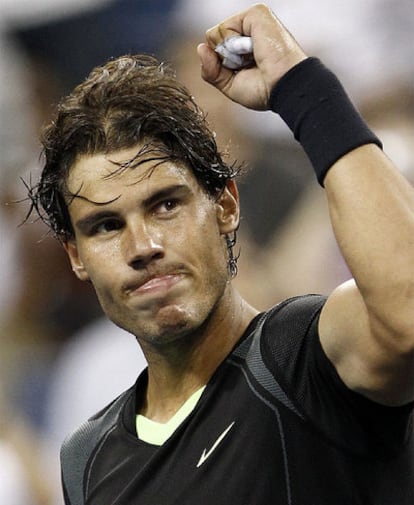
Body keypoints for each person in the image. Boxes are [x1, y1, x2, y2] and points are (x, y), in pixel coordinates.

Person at [26, 3, 414, 504]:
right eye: (105, 226)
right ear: (76, 257)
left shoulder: (304, 356)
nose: (142, 247)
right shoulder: (85, 459)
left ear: (226, 205)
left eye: (165, 205)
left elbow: (406, 314)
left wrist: (303, 88)